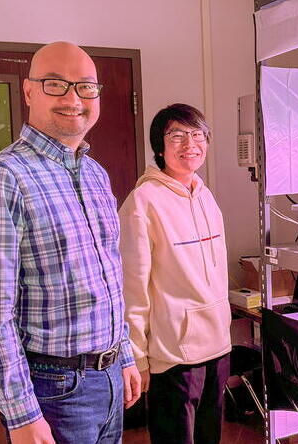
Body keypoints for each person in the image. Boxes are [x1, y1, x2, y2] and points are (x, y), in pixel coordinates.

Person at [0, 41, 142, 444]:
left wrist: (123, 355)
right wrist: (21, 415)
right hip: (55, 390)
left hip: (109, 378)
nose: (73, 99)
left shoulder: (95, 174)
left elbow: (108, 279)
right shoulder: (3, 178)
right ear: (29, 92)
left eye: (85, 87)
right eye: (56, 84)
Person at [119, 103, 231, 444]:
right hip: (173, 356)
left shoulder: (205, 194)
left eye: (197, 135)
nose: (190, 144)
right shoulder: (142, 202)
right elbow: (132, 288)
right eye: (178, 136)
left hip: (218, 346)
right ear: (160, 146)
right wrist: (137, 355)